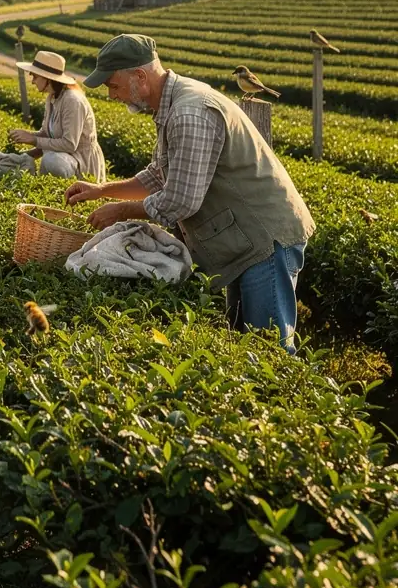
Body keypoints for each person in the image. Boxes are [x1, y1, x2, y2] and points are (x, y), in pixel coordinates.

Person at [64, 34, 315, 353]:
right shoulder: (172, 106)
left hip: (265, 239)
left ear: (139, 77)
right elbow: (159, 175)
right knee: (245, 348)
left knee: (271, 351)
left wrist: (121, 210)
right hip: (244, 240)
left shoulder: (189, 112)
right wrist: (102, 190)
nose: (111, 95)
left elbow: (181, 200)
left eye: (113, 86)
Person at [8, 49, 105, 180]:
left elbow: (69, 145)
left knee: (51, 160)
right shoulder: (52, 98)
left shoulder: (72, 101)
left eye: (35, 76)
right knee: (20, 161)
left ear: (47, 78)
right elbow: (47, 135)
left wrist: (33, 139)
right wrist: (25, 143)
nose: (32, 81)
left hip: (81, 163)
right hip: (66, 159)